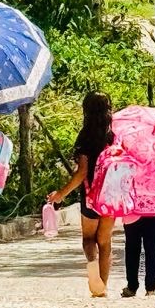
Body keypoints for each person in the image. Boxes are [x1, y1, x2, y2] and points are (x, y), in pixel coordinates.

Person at [46, 92, 116, 297]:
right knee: (105, 241)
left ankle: (91, 262)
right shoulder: (113, 135)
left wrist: (61, 194)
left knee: (88, 239)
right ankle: (102, 286)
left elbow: (82, 172)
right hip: (111, 195)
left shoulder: (85, 136)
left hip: (91, 195)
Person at [121, 215, 155, 297]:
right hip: (153, 209)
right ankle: (150, 288)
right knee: (153, 247)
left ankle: (132, 286)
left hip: (132, 209)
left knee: (132, 248)